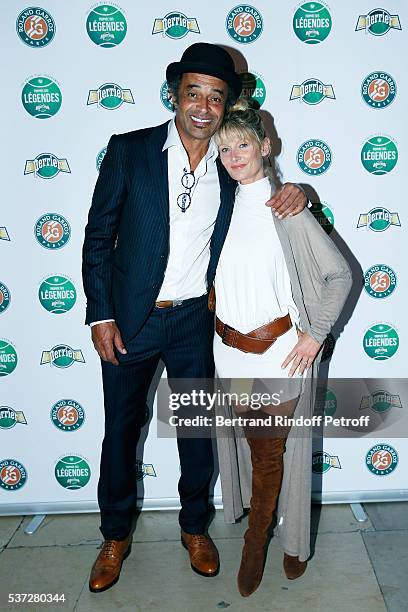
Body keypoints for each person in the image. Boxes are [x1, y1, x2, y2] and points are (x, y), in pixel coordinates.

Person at [82, 42, 308, 593]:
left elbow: (267, 198)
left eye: (215, 96)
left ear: (226, 104)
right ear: (175, 96)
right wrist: (101, 315)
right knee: (120, 431)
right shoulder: (130, 151)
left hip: (192, 324)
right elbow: (97, 238)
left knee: (196, 432)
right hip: (130, 322)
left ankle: (194, 529)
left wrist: (303, 196)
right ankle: (114, 536)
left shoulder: (231, 165)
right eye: (193, 93)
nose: (203, 106)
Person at [212, 98, 352, 596]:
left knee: (270, 453)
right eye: (224, 147)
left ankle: (258, 545)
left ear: (265, 147)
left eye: (243, 144)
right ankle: (280, 532)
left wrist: (316, 334)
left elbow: (339, 273)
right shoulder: (218, 208)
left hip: (279, 354)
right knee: (255, 450)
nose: (233, 155)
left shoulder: (286, 209)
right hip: (227, 353)